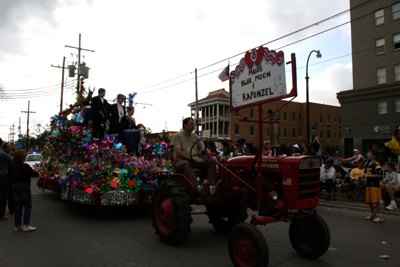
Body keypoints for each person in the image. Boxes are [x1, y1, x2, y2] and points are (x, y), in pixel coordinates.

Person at [171, 117, 217, 196]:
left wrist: (212, 155)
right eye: (191, 124)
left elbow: (204, 148)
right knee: (186, 163)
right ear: (185, 125)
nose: (193, 126)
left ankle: (211, 185)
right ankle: (197, 187)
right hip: (181, 161)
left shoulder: (196, 137)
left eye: (194, 124)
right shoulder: (177, 136)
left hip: (195, 160)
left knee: (211, 162)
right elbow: (178, 153)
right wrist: (194, 158)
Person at [12, 149, 41, 232]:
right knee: (27, 205)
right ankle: (26, 225)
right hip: (23, 186)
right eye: (24, 155)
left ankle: (17, 225)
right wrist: (38, 170)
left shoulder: (15, 166)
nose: (25, 156)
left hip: (15, 185)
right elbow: (33, 174)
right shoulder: (25, 166)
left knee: (18, 206)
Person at [362, 150, 384, 222]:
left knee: (376, 200)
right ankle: (372, 213)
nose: (368, 155)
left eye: (370, 154)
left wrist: (369, 176)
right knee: (369, 200)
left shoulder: (377, 164)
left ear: (374, 156)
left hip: (374, 184)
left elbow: (379, 175)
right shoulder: (368, 163)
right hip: (368, 184)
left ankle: (380, 215)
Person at [0, 138, 12, 221]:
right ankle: (1, 214)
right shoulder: (2, 153)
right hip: (2, 176)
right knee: (3, 195)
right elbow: (13, 160)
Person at [4, 143, 16, 214]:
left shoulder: (9, 155)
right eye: (9, 146)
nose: (11, 147)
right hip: (8, 176)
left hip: (9, 176)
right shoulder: (6, 156)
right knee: (10, 194)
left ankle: (4, 209)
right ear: (5, 148)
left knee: (8, 194)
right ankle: (12, 209)